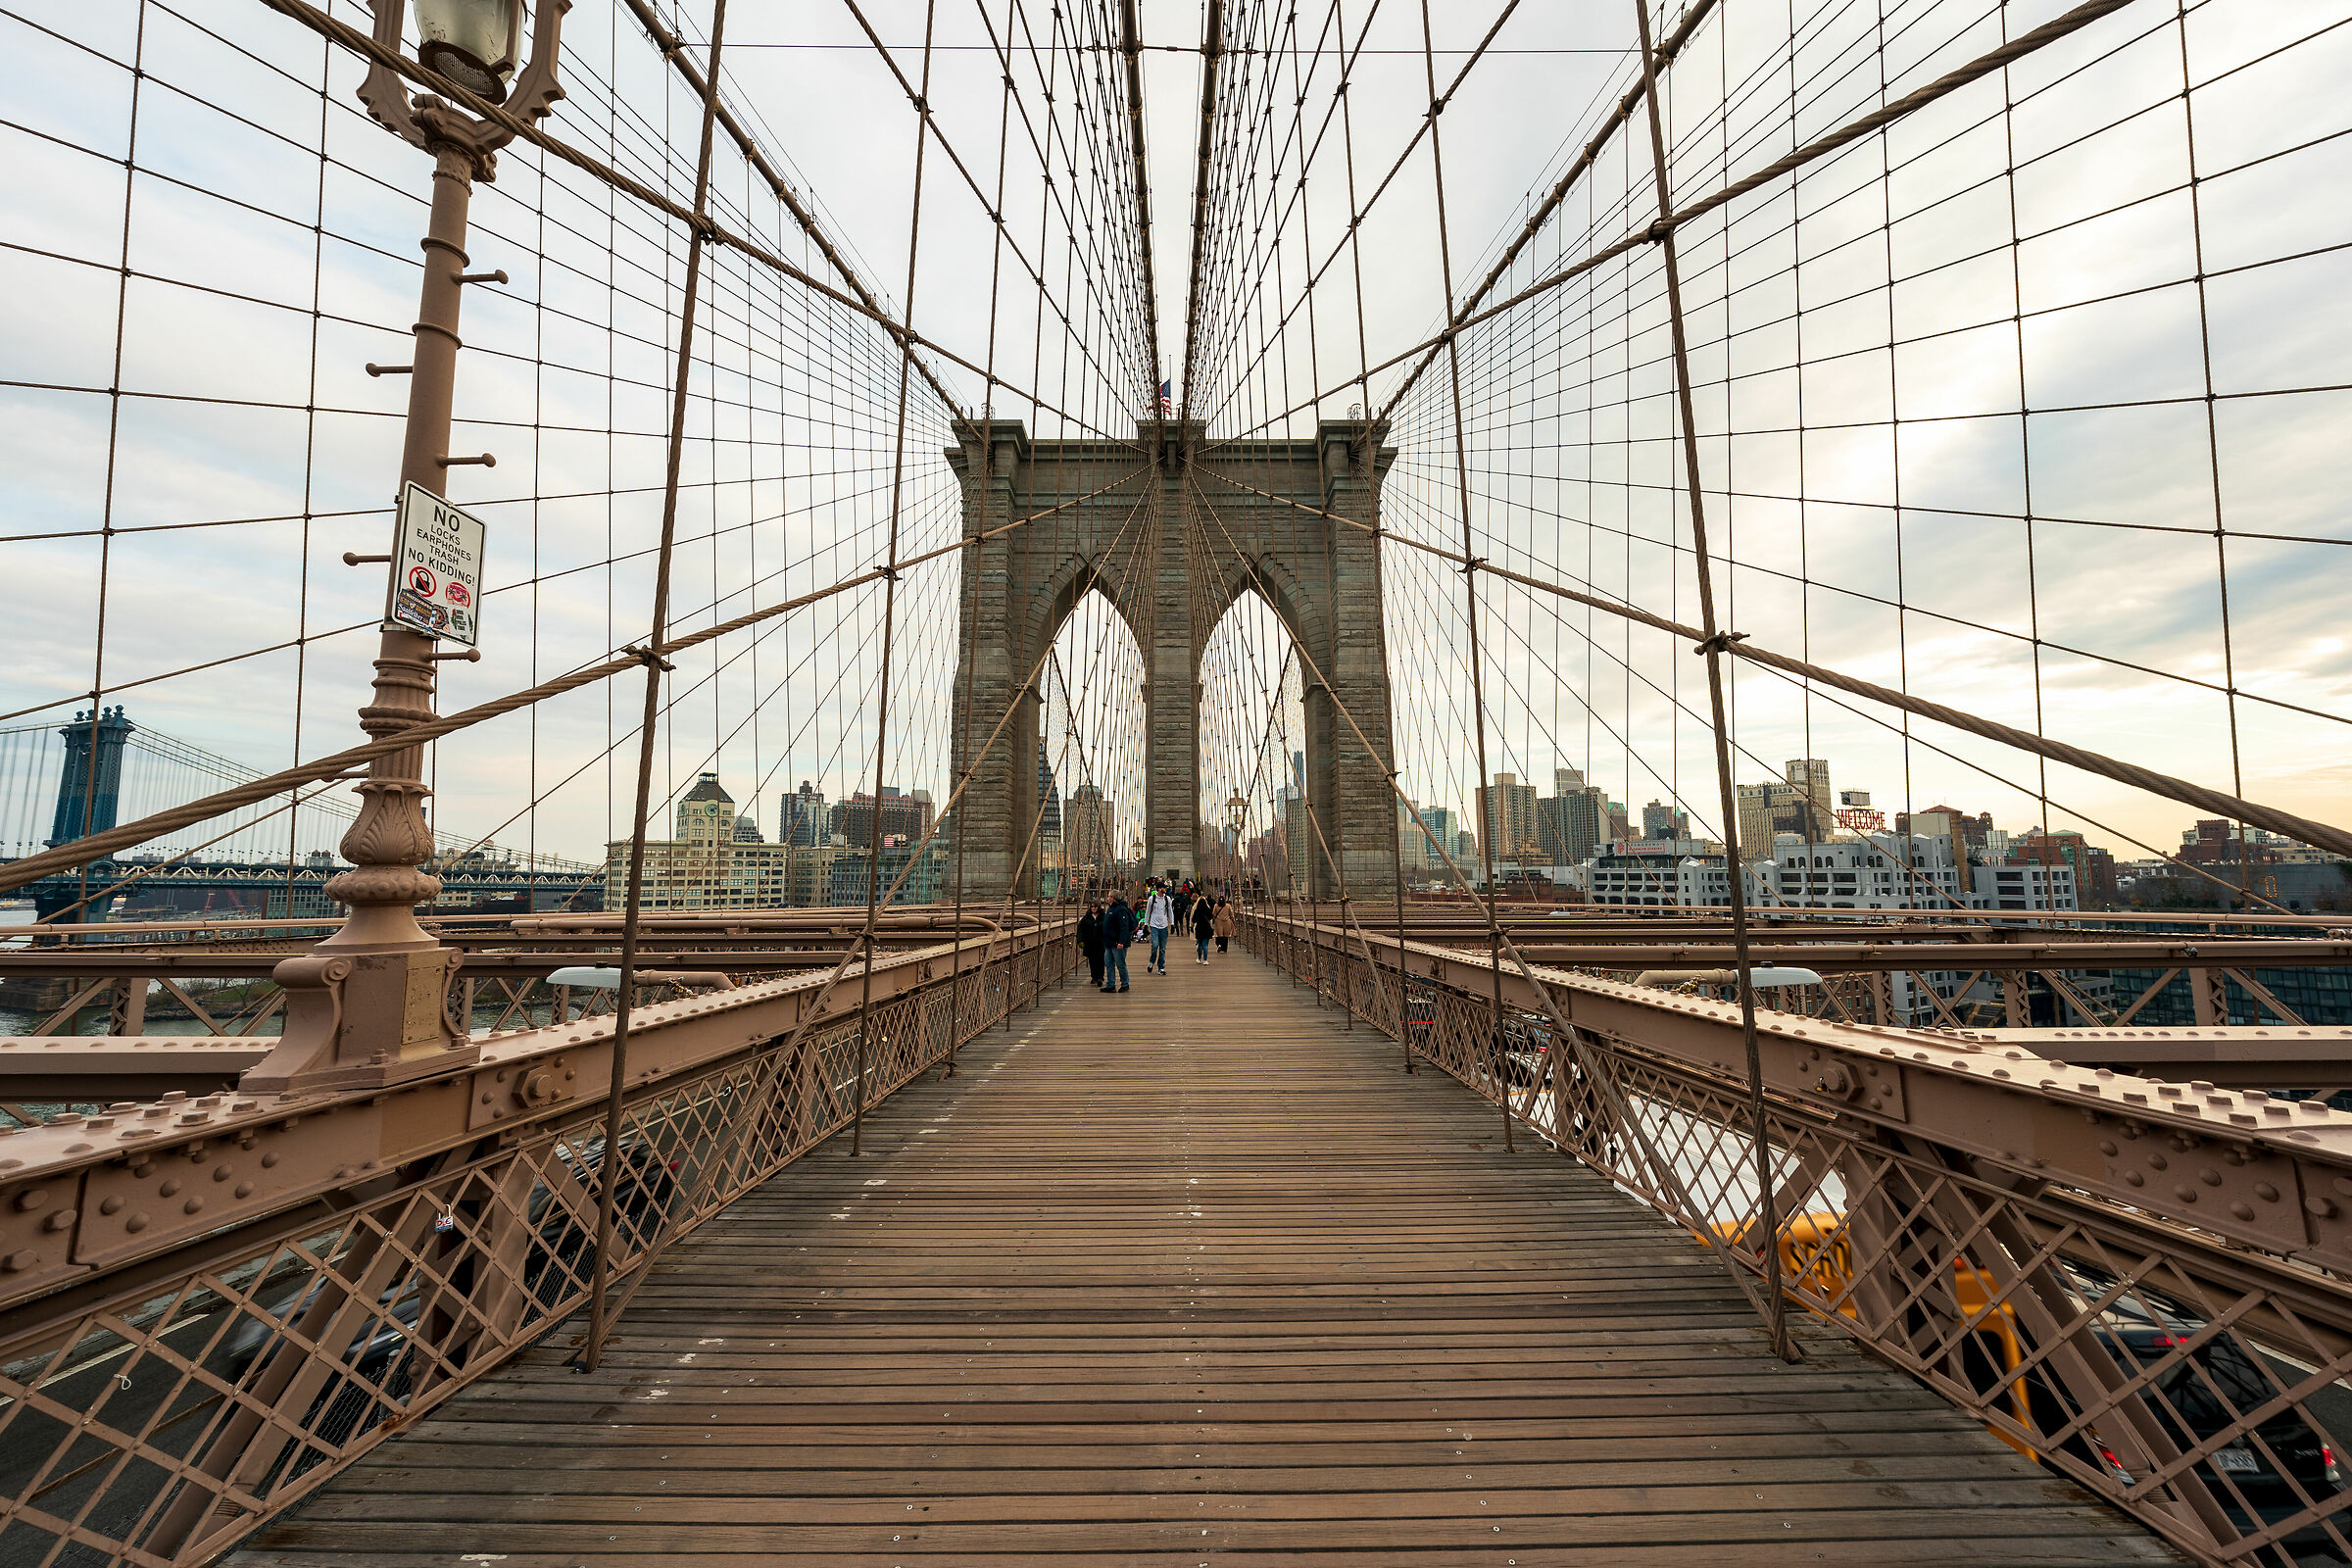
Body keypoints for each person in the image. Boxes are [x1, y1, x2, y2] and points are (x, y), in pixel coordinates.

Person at [1102, 891, 1135, 992]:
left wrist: (1121, 941)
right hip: (1109, 942)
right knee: (1108, 963)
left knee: (1120, 964)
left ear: (1113, 898)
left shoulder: (1120, 910)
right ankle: (1110, 985)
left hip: (1117, 943)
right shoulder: (1111, 908)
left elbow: (1124, 927)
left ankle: (1125, 984)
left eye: (1108, 896)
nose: (1107, 898)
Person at [1144, 880, 1174, 974]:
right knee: (1155, 945)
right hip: (1154, 925)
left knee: (1163, 949)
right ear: (1160, 889)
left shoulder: (1167, 899)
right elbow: (1148, 912)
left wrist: (1172, 924)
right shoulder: (1151, 899)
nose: (1166, 889)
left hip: (1164, 926)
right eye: (1164, 888)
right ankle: (1151, 962)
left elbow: (1170, 911)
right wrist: (1146, 924)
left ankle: (1161, 967)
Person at [1078, 900, 1105, 988]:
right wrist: (1080, 940)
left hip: (1101, 942)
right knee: (1092, 960)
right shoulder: (1087, 917)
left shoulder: (1104, 916)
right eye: (1092, 907)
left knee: (1101, 960)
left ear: (1098, 907)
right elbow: (1080, 928)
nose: (1093, 908)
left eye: (1095, 906)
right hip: (1090, 942)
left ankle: (1100, 977)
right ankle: (1094, 977)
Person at [1192, 892, 1215, 963]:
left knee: (1200, 944)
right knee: (1205, 945)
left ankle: (1199, 959)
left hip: (1199, 928)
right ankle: (1205, 960)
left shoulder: (1197, 910)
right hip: (1206, 928)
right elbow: (1211, 917)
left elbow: (1193, 919)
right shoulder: (1207, 909)